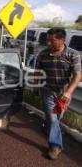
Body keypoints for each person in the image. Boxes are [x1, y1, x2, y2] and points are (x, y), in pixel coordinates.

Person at [34, 27, 81, 160]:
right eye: (47, 40)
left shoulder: (73, 54)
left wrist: (68, 92)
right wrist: (36, 85)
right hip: (48, 91)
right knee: (54, 119)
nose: (48, 43)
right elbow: (37, 71)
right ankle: (55, 146)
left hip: (64, 94)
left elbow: (77, 75)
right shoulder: (42, 54)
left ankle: (47, 126)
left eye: (52, 40)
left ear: (62, 40)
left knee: (56, 119)